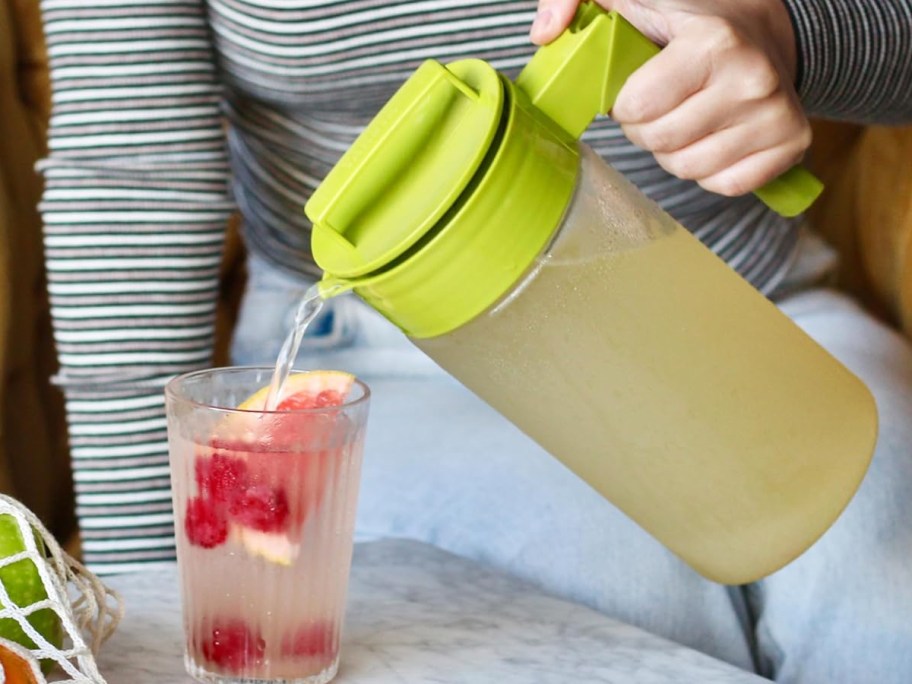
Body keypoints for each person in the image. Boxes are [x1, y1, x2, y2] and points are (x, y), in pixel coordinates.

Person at [37, 0, 912, 681]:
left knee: (887, 583)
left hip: (735, 294)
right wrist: (136, 607)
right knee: (614, 596)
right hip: (377, 353)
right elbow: (128, 175)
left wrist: (787, 33)